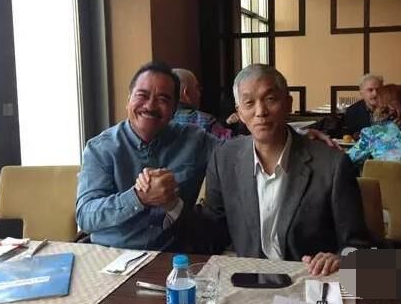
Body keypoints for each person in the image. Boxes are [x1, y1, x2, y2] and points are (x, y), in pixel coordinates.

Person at [140, 64, 372, 276]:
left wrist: (341, 259)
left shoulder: (331, 164)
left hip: (309, 281)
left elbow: (358, 245)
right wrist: (171, 204)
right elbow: (211, 234)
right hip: (249, 281)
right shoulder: (225, 158)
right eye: (249, 103)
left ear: (288, 103)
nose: (260, 111)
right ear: (239, 113)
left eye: (270, 99)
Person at [76, 62, 219, 250]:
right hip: (112, 254)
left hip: (173, 257)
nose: (150, 106)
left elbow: (236, 153)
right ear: (128, 100)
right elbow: (85, 216)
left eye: (163, 99)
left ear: (175, 108)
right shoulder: (100, 149)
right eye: (142, 95)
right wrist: (138, 197)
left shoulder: (195, 140)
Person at [171, 68, 232, 139]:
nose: (199, 94)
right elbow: (231, 143)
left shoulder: (162, 121)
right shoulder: (205, 122)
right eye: (197, 88)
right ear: (186, 93)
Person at [343, 74, 384, 138]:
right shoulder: (352, 111)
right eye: (370, 90)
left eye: (378, 90)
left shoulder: (391, 109)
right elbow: (349, 136)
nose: (375, 94)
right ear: (361, 93)